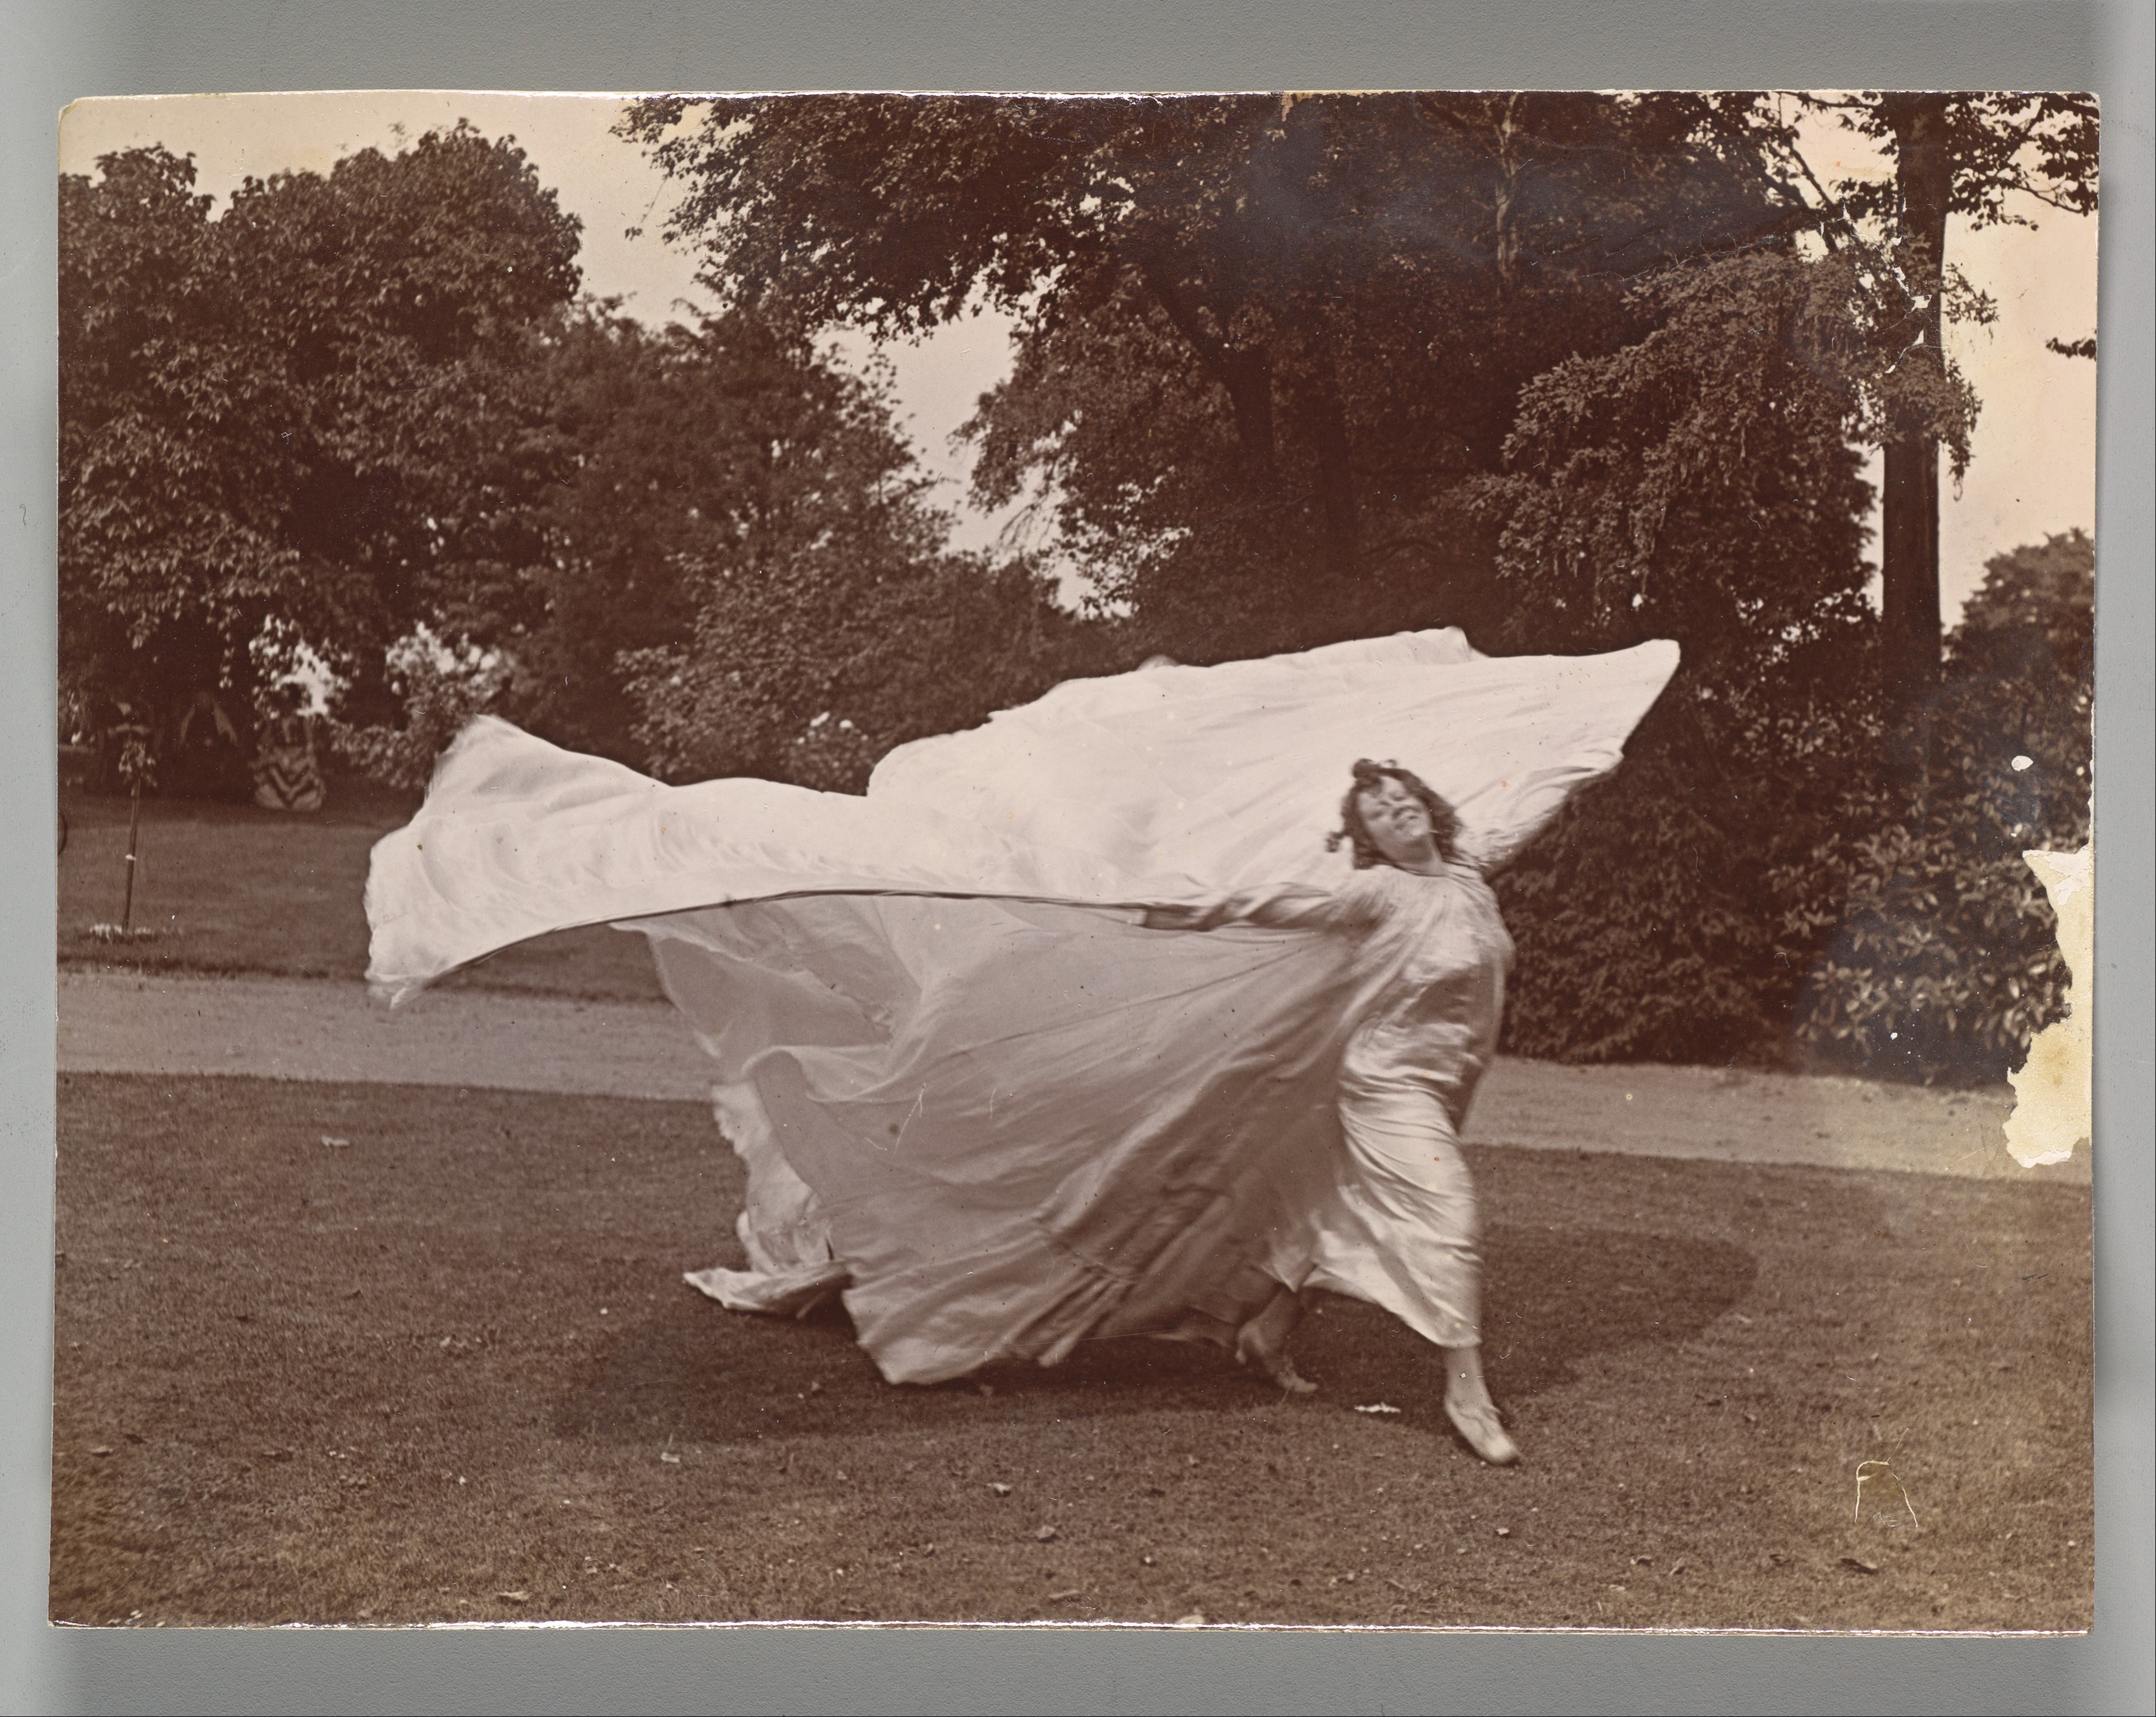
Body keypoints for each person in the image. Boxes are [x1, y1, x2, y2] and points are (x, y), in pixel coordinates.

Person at [1154, 759, 1519, 1464]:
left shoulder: (1470, 879)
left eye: (1399, 793)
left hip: (1446, 1082)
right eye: (1376, 809)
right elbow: (1283, 904)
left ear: (1425, 803)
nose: (1393, 805)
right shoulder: (1378, 891)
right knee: (1450, 1216)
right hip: (1385, 1082)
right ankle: (1467, 1395)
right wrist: (1178, 907)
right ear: (1371, 839)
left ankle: (1266, 1331)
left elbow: (1532, 793)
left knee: (1347, 1208)